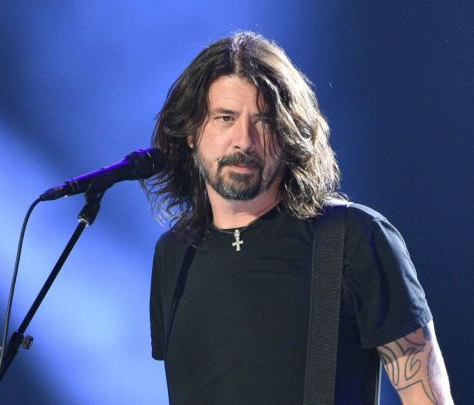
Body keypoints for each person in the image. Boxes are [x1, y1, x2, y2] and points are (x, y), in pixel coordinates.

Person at [144, 31, 453, 404]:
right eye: (225, 118)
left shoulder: (352, 239)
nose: (244, 140)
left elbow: (424, 393)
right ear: (191, 132)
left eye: (264, 121)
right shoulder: (174, 254)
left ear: (288, 133)